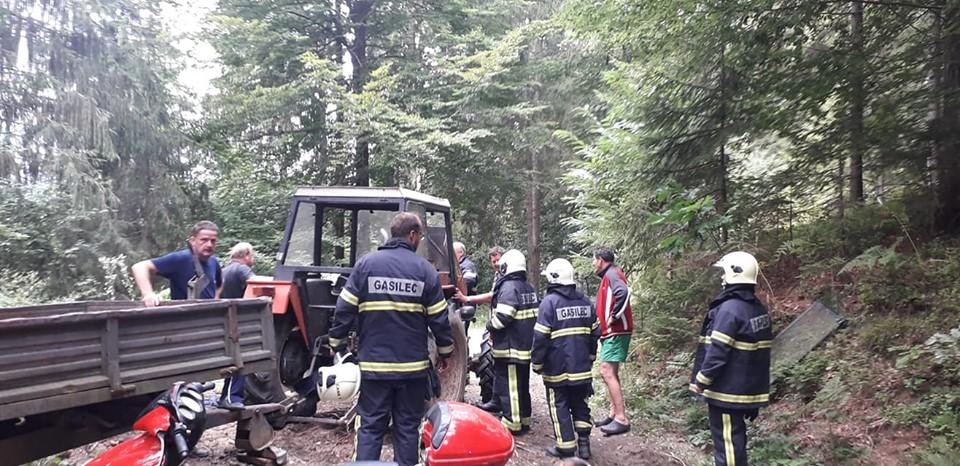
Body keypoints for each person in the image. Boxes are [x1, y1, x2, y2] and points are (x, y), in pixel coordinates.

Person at [327, 212, 454, 466]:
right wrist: (446, 351)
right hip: (412, 372)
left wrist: (336, 343)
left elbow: (344, 308)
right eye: (419, 236)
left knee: (371, 427)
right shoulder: (425, 271)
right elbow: (440, 319)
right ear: (413, 235)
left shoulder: (366, 265)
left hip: (374, 370)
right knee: (407, 428)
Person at [690, 251, 772, 466]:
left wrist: (701, 381)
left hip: (728, 392)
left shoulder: (729, 310)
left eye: (724, 273)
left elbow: (717, 352)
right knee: (735, 440)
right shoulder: (756, 309)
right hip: (747, 389)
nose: (721, 278)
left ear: (734, 274)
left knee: (727, 444)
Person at [532, 258, 600, 460]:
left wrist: (537, 363)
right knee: (580, 402)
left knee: (559, 404)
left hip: (557, 368)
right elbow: (595, 333)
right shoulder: (586, 301)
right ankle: (584, 445)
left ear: (553, 279)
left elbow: (540, 337)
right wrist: (590, 356)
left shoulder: (549, 303)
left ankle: (565, 447)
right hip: (582, 368)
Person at [487, 248, 538, 435]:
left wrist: (489, 325)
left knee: (510, 389)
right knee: (522, 386)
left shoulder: (509, 288)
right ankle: (524, 420)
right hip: (523, 348)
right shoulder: (528, 287)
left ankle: (512, 423)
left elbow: (503, 317)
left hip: (510, 349)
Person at [131, 220, 223, 306]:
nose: (209, 245)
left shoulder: (213, 261)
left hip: (210, 317)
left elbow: (220, 283)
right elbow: (139, 267)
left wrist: (216, 298)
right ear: (192, 241)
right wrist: (148, 294)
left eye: (213, 241)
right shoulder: (181, 259)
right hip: (184, 318)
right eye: (204, 240)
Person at [592, 246, 633, 436]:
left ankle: (621, 419)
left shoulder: (613, 274)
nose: (593, 264)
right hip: (612, 332)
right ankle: (613, 413)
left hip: (616, 331)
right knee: (612, 372)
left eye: (594, 260)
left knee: (606, 371)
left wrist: (614, 316)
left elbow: (623, 292)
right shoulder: (609, 275)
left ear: (600, 260)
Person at [218, 242, 257, 409]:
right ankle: (232, 398)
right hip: (237, 321)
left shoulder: (223, 271)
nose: (252, 258)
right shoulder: (241, 269)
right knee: (241, 360)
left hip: (224, 321)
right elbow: (257, 283)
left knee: (233, 359)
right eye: (252, 255)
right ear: (246, 254)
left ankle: (229, 396)